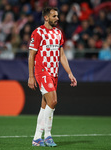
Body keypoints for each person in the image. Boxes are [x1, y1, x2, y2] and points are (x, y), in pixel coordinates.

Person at [28, 7, 77, 147]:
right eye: (54, 16)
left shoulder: (58, 33)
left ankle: (37, 138)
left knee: (45, 106)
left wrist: (69, 73)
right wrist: (31, 76)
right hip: (42, 71)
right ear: (46, 17)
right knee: (53, 101)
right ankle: (48, 135)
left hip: (54, 72)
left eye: (57, 16)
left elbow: (61, 55)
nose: (57, 18)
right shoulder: (38, 32)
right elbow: (31, 55)